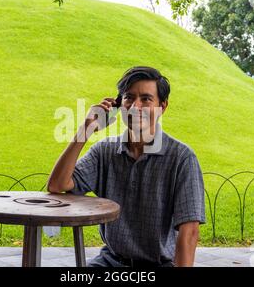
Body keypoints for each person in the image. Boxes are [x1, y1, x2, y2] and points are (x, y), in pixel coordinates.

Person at [47, 66, 205, 267]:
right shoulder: (104, 152)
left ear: (162, 107)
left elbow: (189, 231)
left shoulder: (182, 158)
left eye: (146, 99)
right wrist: (85, 129)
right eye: (129, 98)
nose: (135, 107)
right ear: (119, 105)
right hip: (110, 261)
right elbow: (57, 185)